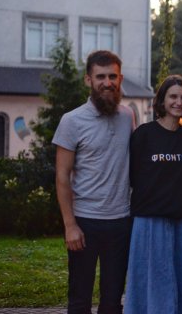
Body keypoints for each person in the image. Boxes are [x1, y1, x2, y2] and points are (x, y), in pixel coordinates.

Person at [53, 50, 134, 314]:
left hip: (121, 222)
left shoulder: (128, 116)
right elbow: (62, 176)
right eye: (100, 77)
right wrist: (70, 226)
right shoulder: (71, 120)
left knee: (112, 301)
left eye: (112, 76)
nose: (107, 82)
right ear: (88, 80)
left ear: (120, 79)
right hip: (84, 222)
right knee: (79, 300)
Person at [124, 75, 182, 313]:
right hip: (149, 222)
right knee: (150, 287)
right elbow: (132, 175)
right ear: (162, 100)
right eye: (173, 96)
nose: (179, 102)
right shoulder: (144, 134)